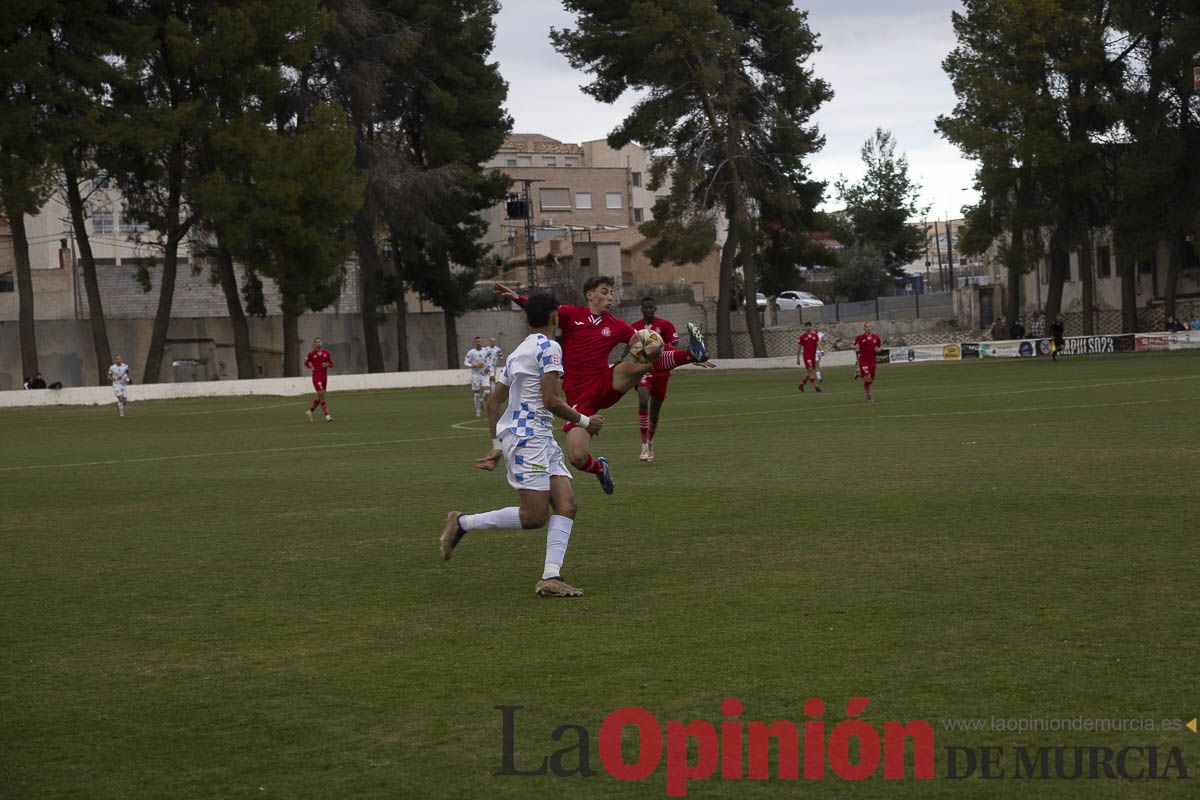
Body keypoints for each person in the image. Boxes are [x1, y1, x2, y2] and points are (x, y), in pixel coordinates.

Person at [440, 294, 604, 597]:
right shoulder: (549, 347)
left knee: (567, 504)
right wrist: (584, 421)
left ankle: (550, 577)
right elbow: (551, 400)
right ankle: (462, 522)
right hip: (530, 440)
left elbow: (494, 403)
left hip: (538, 437)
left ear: (527, 320)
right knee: (534, 516)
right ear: (555, 316)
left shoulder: (518, 352)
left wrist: (497, 445)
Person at [493, 277, 712, 495]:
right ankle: (600, 468)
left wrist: (683, 355)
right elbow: (544, 312)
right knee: (577, 457)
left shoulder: (615, 325)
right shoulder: (572, 314)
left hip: (606, 381)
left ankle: (693, 353)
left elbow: (651, 345)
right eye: (605, 292)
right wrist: (519, 299)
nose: (609, 298)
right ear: (590, 295)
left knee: (638, 364)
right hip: (580, 395)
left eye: (611, 294)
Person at [631, 296, 681, 462]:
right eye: (646, 307)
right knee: (643, 400)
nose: (649, 310)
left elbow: (675, 346)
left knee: (655, 412)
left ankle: (650, 443)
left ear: (655, 308)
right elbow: (628, 345)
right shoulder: (635, 328)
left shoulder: (665, 325)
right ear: (641, 309)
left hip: (661, 373)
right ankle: (643, 444)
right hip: (643, 370)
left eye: (651, 307)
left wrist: (676, 357)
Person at [304, 337, 334, 422]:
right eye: (316, 342)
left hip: (324, 377)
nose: (318, 343)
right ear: (314, 344)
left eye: (319, 341)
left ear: (322, 343)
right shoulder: (311, 354)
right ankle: (327, 415)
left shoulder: (326, 353)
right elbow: (305, 363)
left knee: (320, 396)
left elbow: (331, 364)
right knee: (321, 393)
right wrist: (311, 367)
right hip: (316, 376)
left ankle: (310, 411)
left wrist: (327, 365)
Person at [853, 322, 883, 402]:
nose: (868, 328)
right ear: (864, 328)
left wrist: (879, 349)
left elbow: (880, 345)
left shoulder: (876, 337)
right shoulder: (859, 337)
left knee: (871, 380)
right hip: (863, 360)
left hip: (872, 361)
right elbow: (853, 344)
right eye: (866, 327)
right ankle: (868, 396)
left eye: (869, 326)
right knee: (867, 377)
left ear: (871, 328)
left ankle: (859, 373)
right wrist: (855, 346)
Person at [464, 336, 492, 417]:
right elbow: (466, 362)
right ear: (474, 342)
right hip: (475, 375)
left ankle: (481, 401)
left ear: (481, 342)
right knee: (476, 393)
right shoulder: (471, 352)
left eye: (480, 341)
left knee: (487, 391)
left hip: (484, 374)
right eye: (477, 341)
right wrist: (472, 365)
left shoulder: (485, 351)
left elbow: (489, 360)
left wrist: (488, 367)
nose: (478, 343)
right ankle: (478, 410)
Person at [796, 321, 822, 393]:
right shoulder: (802, 337)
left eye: (809, 326)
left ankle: (801, 384)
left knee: (809, 372)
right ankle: (816, 386)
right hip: (806, 356)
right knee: (810, 370)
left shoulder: (815, 336)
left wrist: (821, 350)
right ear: (805, 327)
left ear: (811, 327)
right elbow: (799, 348)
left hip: (813, 356)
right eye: (806, 326)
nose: (808, 327)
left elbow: (818, 344)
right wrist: (798, 358)